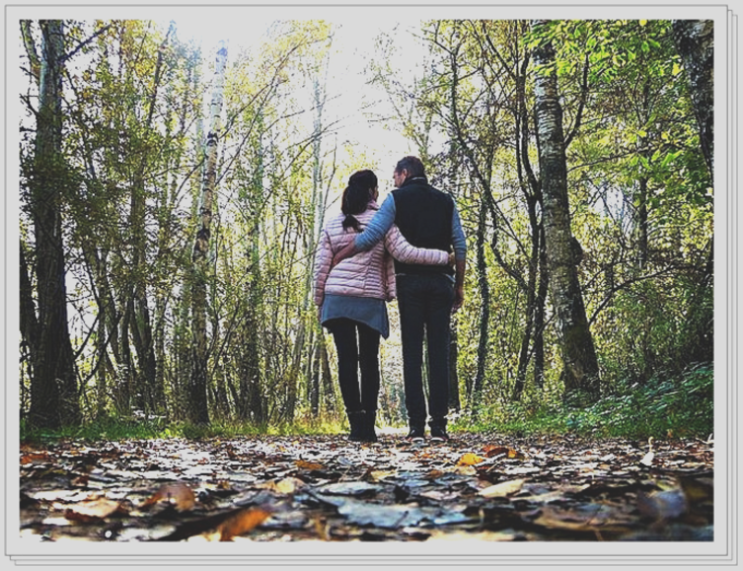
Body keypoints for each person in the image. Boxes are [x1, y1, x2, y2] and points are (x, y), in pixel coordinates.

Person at [332, 157, 467, 442]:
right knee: (439, 353)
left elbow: (371, 236)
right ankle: (439, 426)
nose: (393, 182)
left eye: (395, 176)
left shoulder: (396, 199)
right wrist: (459, 285)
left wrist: (340, 255)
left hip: (411, 284)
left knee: (412, 354)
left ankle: (416, 426)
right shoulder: (447, 201)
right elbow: (460, 244)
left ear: (404, 173)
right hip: (442, 281)